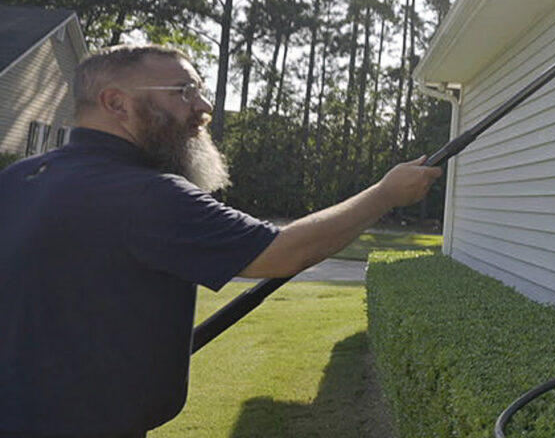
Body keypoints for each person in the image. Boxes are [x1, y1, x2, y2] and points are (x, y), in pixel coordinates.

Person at [0, 44, 441, 438]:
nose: (204, 106)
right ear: (116, 103)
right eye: (183, 92)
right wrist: (386, 193)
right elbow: (287, 250)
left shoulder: (18, 179)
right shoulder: (149, 196)